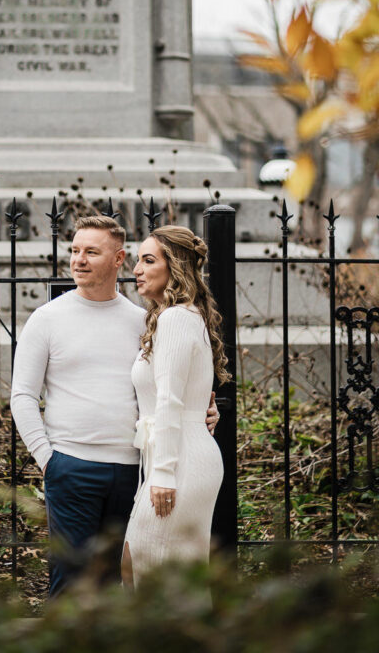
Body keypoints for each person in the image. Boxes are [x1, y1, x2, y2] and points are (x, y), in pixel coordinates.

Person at [10, 214, 219, 596]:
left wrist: (201, 411)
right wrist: (49, 459)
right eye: (74, 251)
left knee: (122, 580)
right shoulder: (46, 319)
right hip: (72, 466)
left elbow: (171, 387)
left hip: (134, 471)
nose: (78, 260)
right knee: (71, 583)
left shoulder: (146, 321)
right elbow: (22, 395)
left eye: (91, 252)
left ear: (118, 258)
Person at [121, 225, 230, 586]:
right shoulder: (175, 317)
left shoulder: (175, 318)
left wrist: (165, 473)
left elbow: (169, 399)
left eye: (148, 260)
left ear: (176, 267)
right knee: (140, 563)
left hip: (180, 462)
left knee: (150, 569)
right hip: (175, 453)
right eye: (137, 260)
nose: (137, 269)